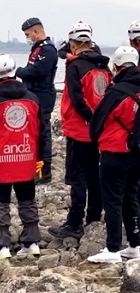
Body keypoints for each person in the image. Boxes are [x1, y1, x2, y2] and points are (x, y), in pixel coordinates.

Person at [0, 54, 44, 262]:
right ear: (14, 71)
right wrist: (41, 157)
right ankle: (32, 243)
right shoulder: (32, 98)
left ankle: (2, 245)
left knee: (1, 202)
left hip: (1, 160)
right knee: (27, 199)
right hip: (26, 157)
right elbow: (41, 131)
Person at [48, 22, 112, 240]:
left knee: (77, 177)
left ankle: (75, 222)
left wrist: (91, 120)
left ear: (74, 44)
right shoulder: (103, 65)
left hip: (79, 130)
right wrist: (100, 121)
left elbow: (77, 99)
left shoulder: (75, 66)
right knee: (95, 175)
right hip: (99, 131)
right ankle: (93, 216)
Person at [87, 46, 140, 264]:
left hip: (115, 151)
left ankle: (112, 248)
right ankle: (135, 244)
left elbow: (97, 122)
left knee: (113, 200)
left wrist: (95, 140)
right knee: (132, 196)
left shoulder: (116, 92)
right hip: (137, 152)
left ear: (116, 67)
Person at [17, 18, 58, 184]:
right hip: (33, 94)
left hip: (43, 95)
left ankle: (44, 170)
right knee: (34, 133)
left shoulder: (47, 50)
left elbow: (37, 71)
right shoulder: (37, 49)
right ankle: (34, 166)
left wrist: (19, 71)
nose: (27, 37)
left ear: (36, 31)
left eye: (28, 34)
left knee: (43, 134)